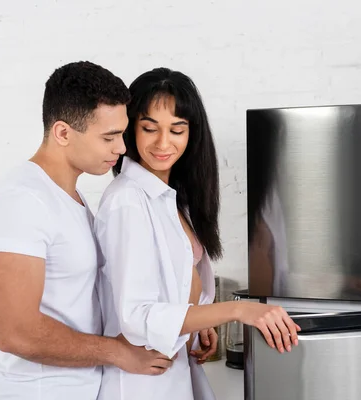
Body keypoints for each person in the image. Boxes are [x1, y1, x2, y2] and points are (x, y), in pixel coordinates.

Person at [0, 61, 175, 400]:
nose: (122, 148)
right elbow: (14, 333)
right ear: (63, 133)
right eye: (109, 137)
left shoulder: (70, 198)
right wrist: (119, 353)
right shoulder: (20, 202)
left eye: (121, 134)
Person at [95, 67, 301, 400]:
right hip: (139, 383)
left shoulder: (175, 199)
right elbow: (135, 315)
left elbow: (178, 283)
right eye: (150, 128)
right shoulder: (126, 201)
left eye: (177, 130)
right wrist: (236, 310)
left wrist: (201, 321)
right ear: (131, 129)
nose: (164, 143)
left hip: (175, 367)